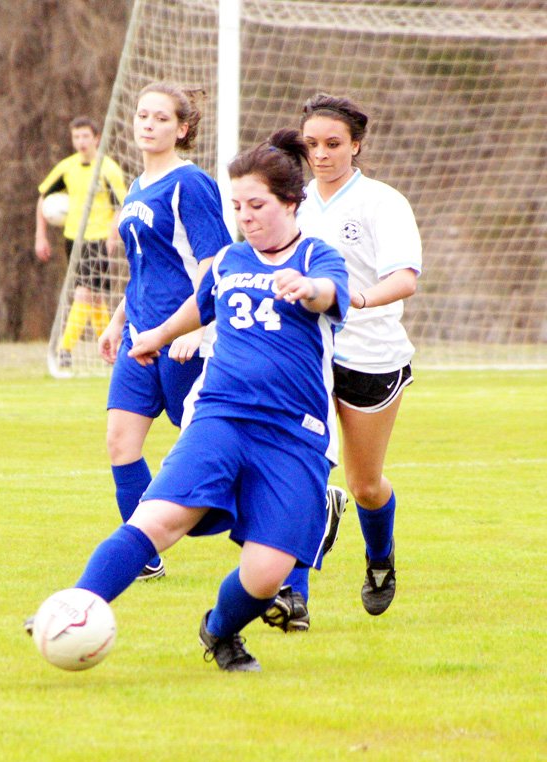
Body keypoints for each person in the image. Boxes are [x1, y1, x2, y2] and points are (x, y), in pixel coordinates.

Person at [26, 129, 351, 672]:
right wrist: (151, 335)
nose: (245, 217)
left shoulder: (319, 256)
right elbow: (199, 309)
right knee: (157, 520)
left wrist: (308, 288)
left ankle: (220, 630)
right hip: (221, 416)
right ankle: (75, 604)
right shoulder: (228, 261)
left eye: (258, 205)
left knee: (266, 574)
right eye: (238, 206)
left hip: (294, 433)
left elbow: (331, 292)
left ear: (291, 202)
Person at [263, 92, 422, 631]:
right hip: (309, 352)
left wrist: (358, 297)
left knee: (366, 485)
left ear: (356, 144)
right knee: (305, 467)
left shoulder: (382, 202)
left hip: (372, 354)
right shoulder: (294, 202)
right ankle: (293, 595)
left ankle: (380, 560)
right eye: (312, 145)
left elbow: (405, 279)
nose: (322, 154)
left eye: (333, 144)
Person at [97, 82, 232, 580]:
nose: (148, 124)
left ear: (182, 128)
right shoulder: (135, 188)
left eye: (160, 118)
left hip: (182, 342)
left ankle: (293, 516)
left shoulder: (190, 184)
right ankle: (143, 556)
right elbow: (145, 268)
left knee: (213, 450)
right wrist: (117, 321)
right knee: (120, 442)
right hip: (140, 338)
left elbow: (213, 262)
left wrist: (195, 329)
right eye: (142, 115)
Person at [35, 116, 127, 369]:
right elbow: (43, 199)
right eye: (76, 137)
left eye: (86, 136)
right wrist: (40, 235)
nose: (81, 141)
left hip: (99, 239)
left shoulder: (108, 169)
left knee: (88, 295)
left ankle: (66, 349)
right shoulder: (67, 168)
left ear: (96, 138)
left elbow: (121, 205)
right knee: (91, 296)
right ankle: (106, 349)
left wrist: (112, 236)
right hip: (74, 240)